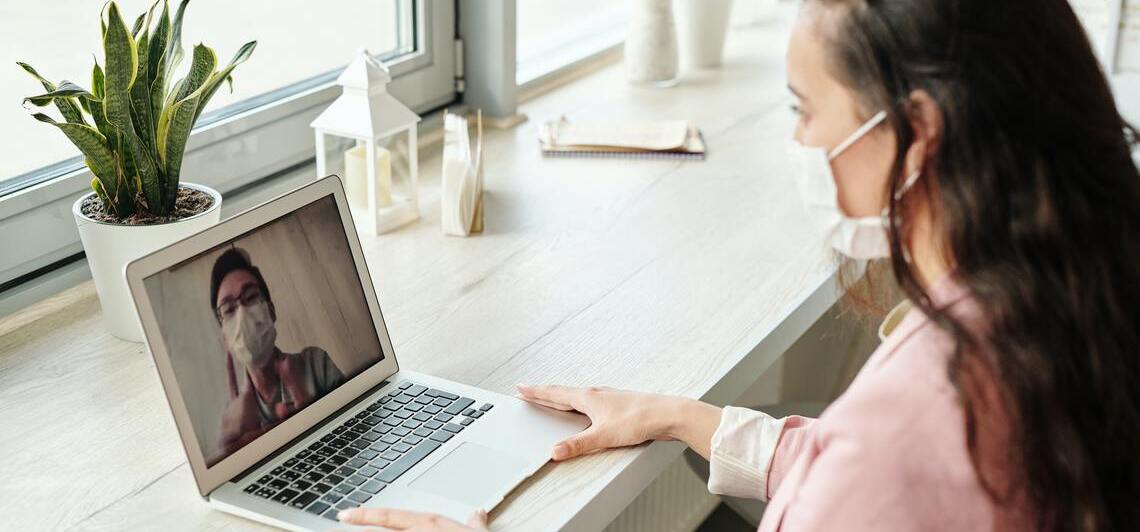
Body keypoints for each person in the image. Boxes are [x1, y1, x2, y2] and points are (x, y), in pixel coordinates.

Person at [337, 0, 1140, 529]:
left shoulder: (915, 418)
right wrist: (688, 417)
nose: (797, 143)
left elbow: (878, 471)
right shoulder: (1071, 297)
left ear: (916, 134)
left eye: (804, 109)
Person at [209, 247, 344, 464]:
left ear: (271, 311)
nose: (243, 313)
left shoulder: (315, 363)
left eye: (251, 297)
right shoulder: (236, 421)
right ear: (225, 337)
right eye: (228, 309)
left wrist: (315, 420)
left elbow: (355, 433)